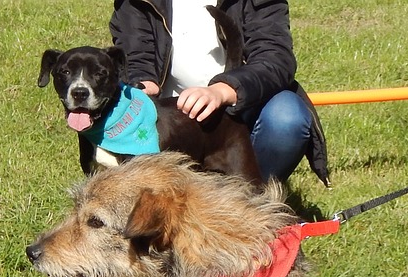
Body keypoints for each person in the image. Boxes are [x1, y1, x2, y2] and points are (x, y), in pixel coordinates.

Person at [111, 0, 328, 185]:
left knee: (287, 118)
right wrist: (142, 84)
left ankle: (254, 201)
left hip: (245, 106)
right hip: (173, 118)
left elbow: (276, 57)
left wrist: (223, 90)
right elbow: (135, 56)